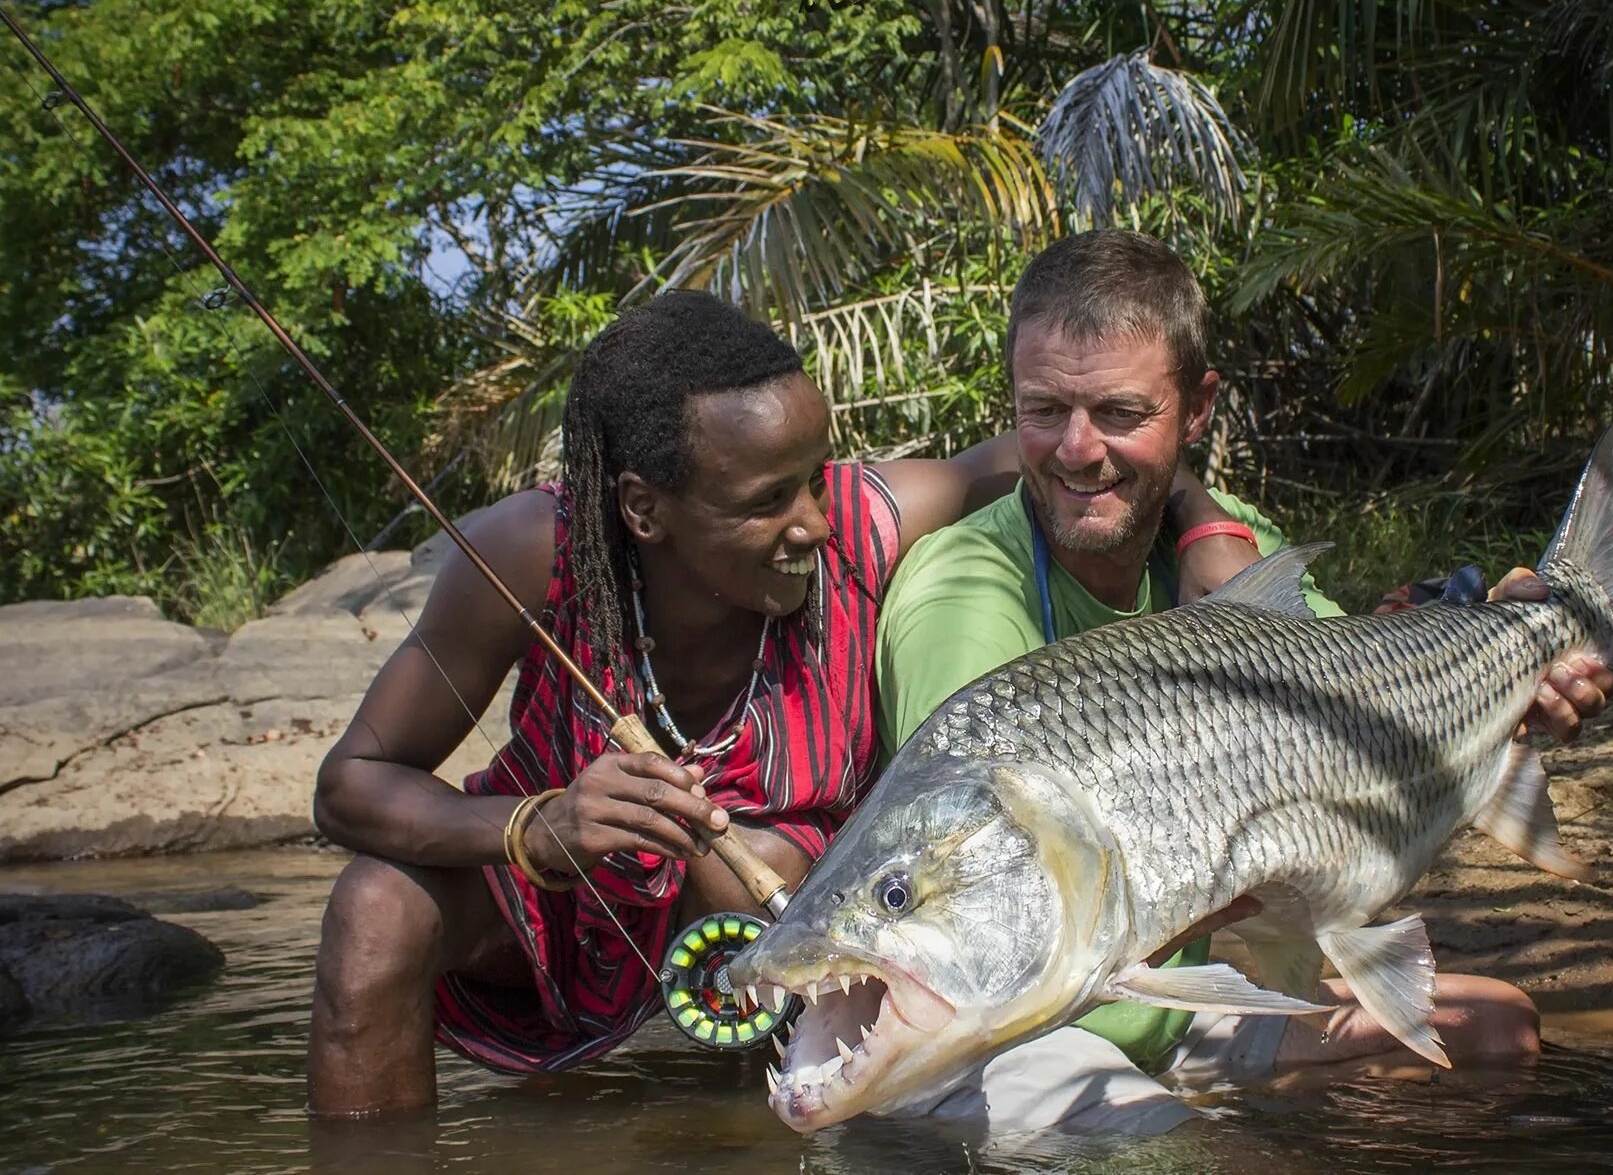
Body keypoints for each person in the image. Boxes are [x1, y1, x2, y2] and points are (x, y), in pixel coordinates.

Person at [306, 290, 1252, 1116]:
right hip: (555, 890)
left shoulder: (860, 518)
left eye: (814, 474)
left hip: (783, 908)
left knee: (748, 864)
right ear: (643, 510)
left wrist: (1204, 520)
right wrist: (532, 828)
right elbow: (350, 786)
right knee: (376, 909)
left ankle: (783, 1127)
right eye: (768, 499)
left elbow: (1075, 450)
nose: (810, 519)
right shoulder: (527, 555)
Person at [873, 229, 1613, 1135]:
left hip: (1170, 1004)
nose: (1076, 450)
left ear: (1196, 412)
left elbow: (1376, 708)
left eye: (1118, 413)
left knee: (1498, 1031)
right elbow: (994, 910)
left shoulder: (1228, 551)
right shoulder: (965, 598)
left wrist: (1508, 685)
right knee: (1186, 1153)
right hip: (1014, 1029)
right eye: (1044, 411)